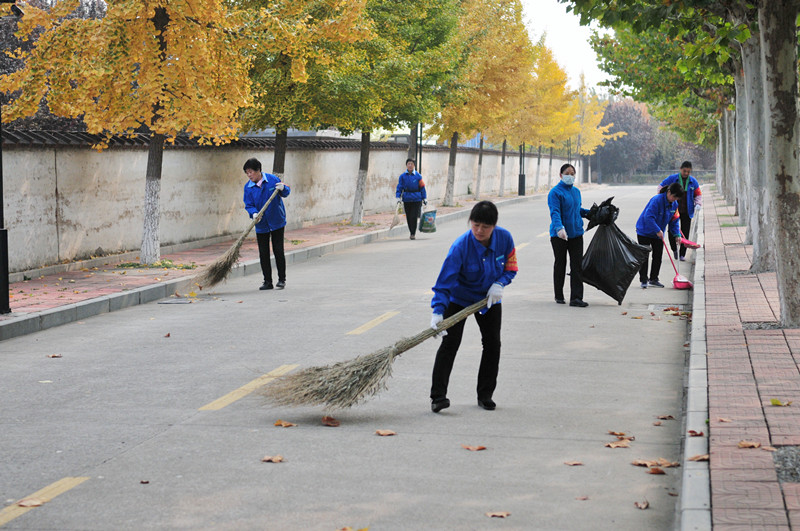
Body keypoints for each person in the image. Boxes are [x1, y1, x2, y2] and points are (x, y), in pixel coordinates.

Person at [428, 201, 518, 413]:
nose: (479, 231)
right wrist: (438, 311)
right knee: (450, 344)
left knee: (493, 344)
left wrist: (500, 283)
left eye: (485, 227)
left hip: (489, 299)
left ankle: (485, 395)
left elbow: (511, 267)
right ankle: (438, 397)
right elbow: (444, 282)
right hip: (459, 299)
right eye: (475, 225)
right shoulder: (460, 246)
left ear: (494, 226)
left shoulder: (505, 239)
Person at [243, 158, 291, 291]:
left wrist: (283, 188)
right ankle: (267, 281)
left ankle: (281, 280)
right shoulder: (248, 187)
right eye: (247, 173)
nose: (249, 175)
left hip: (277, 220)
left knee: (278, 250)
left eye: (251, 172)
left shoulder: (272, 180)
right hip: (261, 224)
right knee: (263, 253)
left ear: (258, 170)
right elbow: (249, 204)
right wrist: (253, 213)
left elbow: (285, 192)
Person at [547, 163, 590, 307]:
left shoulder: (576, 192)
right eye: (567, 174)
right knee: (561, 264)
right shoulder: (555, 193)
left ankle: (576, 298)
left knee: (577, 265)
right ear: (561, 175)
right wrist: (559, 228)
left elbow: (577, 210)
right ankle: (559, 295)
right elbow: (555, 212)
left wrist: (590, 213)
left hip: (576, 233)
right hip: (559, 236)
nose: (570, 176)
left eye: (572, 174)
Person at [635, 182, 683, 289]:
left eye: (677, 198)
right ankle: (643, 279)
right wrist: (657, 230)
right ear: (669, 192)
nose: (674, 200)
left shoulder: (674, 204)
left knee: (657, 256)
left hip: (658, 234)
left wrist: (677, 234)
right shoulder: (656, 200)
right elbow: (648, 217)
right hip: (644, 231)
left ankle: (654, 279)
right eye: (674, 197)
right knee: (644, 256)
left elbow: (674, 221)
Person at [659, 161, 702, 261]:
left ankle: (682, 254)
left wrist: (698, 204)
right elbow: (661, 187)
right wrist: (663, 199)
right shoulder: (672, 179)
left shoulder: (693, 182)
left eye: (688, 171)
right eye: (684, 171)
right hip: (673, 210)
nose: (686, 173)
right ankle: (674, 249)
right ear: (680, 169)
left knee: (685, 232)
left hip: (687, 211)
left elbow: (698, 194)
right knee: (672, 231)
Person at [395, 158, 427, 240]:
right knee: (408, 217)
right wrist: (398, 197)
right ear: (406, 165)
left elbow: (422, 187)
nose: (410, 165)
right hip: (407, 199)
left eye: (411, 164)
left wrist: (424, 198)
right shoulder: (402, 176)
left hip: (416, 199)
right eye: (408, 164)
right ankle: (411, 231)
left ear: (414, 165)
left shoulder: (418, 176)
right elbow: (399, 187)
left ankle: (413, 233)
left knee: (413, 216)